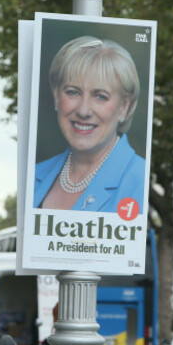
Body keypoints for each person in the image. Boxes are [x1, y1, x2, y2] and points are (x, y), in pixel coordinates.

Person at [34, 35, 145, 213]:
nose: (83, 111)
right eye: (72, 92)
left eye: (100, 96)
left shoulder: (140, 180)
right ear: (56, 96)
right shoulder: (34, 175)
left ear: (124, 107)